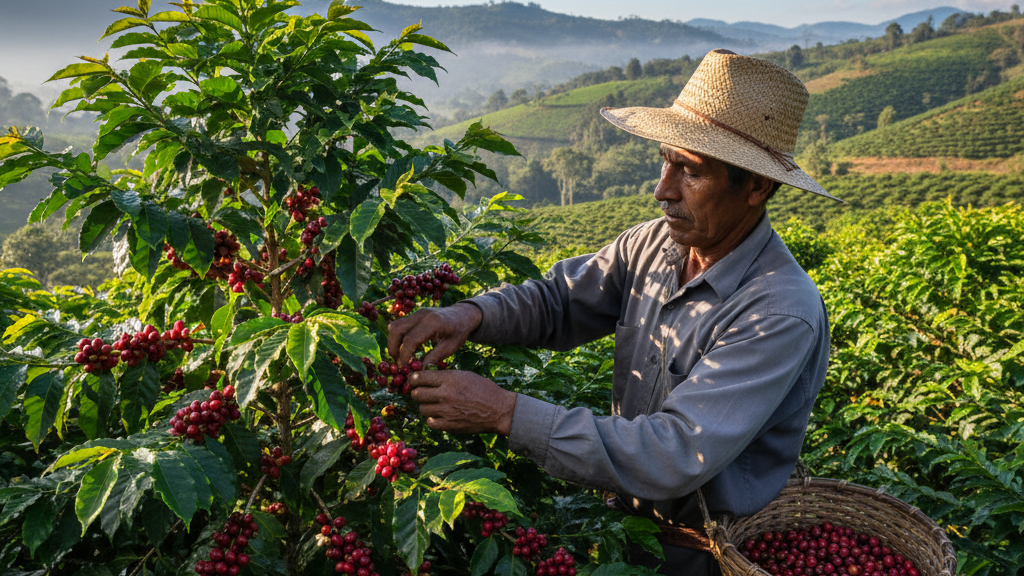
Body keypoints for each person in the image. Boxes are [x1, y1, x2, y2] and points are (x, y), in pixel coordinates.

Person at [388, 49, 844, 575]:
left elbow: (674, 453)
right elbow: (559, 299)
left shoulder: (778, 311)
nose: (662, 190)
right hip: (627, 531)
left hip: (707, 557)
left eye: (690, 172)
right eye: (665, 161)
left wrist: (504, 411)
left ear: (757, 187)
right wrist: (470, 314)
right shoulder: (655, 245)